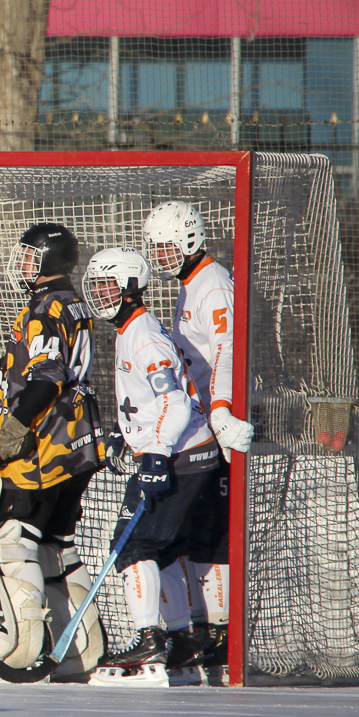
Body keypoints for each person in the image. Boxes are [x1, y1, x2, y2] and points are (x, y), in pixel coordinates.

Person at [0, 223, 107, 683]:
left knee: (13, 537)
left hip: (46, 439)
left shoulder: (45, 307)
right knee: (55, 545)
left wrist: (15, 428)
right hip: (79, 437)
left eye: (29, 256)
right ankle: (83, 646)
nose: (21, 264)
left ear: (48, 260)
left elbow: (47, 375)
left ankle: (25, 647)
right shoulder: (74, 302)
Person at [80, 247, 226, 688]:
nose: (99, 294)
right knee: (161, 549)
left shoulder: (143, 336)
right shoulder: (130, 330)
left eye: (107, 285)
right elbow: (147, 401)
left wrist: (157, 452)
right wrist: (126, 435)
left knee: (133, 546)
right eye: (97, 286)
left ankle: (150, 640)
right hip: (185, 452)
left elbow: (174, 401)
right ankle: (180, 640)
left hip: (179, 455)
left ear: (129, 290)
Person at [143, 200, 250, 680]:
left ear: (189, 240)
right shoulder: (191, 285)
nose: (160, 256)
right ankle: (204, 632)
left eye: (166, 246)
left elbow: (229, 350)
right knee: (193, 534)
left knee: (210, 536)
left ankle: (220, 637)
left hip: (217, 429)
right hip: (202, 429)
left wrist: (225, 409)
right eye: (155, 249)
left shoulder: (212, 286)